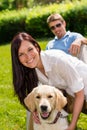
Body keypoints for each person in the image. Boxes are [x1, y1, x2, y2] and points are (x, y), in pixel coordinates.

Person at [11, 32, 87, 130]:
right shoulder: (32, 71)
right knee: (32, 105)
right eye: (21, 54)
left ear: (37, 47)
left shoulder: (57, 61)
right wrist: (34, 111)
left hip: (82, 92)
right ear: (17, 59)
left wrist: (72, 126)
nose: (28, 56)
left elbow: (79, 94)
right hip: (71, 93)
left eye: (30, 49)